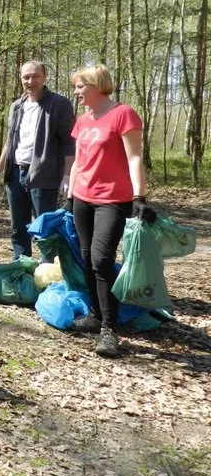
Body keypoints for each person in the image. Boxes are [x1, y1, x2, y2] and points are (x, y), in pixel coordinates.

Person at [65, 64, 156, 358]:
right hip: (82, 198)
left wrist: (139, 196)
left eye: (80, 86)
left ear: (96, 85)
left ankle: (109, 328)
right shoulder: (82, 121)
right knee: (88, 257)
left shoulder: (123, 114)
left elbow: (134, 158)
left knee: (103, 260)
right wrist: (69, 196)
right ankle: (95, 315)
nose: (76, 91)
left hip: (112, 200)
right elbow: (78, 162)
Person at [0, 60, 75, 261]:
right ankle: (21, 270)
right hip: (15, 174)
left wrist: (67, 175)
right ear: (20, 79)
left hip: (44, 175)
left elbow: (69, 142)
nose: (31, 81)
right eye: (26, 77)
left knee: (45, 229)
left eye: (35, 76)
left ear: (45, 77)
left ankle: (48, 275)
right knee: (18, 228)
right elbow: (10, 141)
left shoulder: (59, 104)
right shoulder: (16, 106)